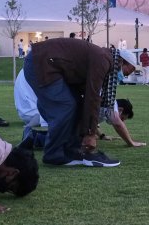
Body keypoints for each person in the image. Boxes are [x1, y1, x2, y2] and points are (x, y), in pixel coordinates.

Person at [23, 39, 137, 167]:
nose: (124, 76)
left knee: (76, 103)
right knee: (66, 106)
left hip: (45, 63)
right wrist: (90, 134)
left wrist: (86, 133)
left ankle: (72, 150)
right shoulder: (103, 60)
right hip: (41, 62)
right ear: (121, 61)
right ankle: (54, 154)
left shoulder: (104, 58)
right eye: (127, 72)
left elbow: (86, 97)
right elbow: (92, 96)